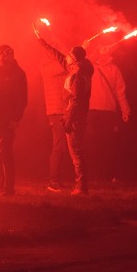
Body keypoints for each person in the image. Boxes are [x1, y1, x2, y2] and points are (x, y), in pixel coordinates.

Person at [37, 37, 94, 195]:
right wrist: (42, 42)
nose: (66, 55)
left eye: (70, 54)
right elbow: (58, 56)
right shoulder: (74, 70)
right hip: (71, 115)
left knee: (76, 153)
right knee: (76, 152)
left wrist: (68, 120)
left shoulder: (78, 75)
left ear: (74, 59)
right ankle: (81, 185)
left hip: (75, 117)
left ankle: (81, 187)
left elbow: (76, 101)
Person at [0, 45, 28, 196]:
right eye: (2, 59)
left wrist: (16, 118)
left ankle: (9, 188)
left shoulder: (18, 74)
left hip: (7, 118)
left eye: (8, 60)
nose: (4, 63)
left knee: (5, 153)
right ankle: (1, 183)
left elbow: (22, 98)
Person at [86, 46, 131, 182]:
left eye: (107, 49)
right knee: (94, 143)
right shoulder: (90, 66)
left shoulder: (114, 69)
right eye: (102, 48)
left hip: (109, 112)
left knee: (109, 144)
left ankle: (107, 174)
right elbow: (80, 64)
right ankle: (95, 174)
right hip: (92, 110)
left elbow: (120, 92)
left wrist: (125, 110)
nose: (105, 51)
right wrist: (95, 52)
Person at [38, 44, 70, 193]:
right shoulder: (47, 66)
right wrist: (84, 47)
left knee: (62, 147)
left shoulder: (55, 64)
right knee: (59, 147)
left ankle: (57, 180)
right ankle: (53, 182)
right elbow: (68, 65)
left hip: (62, 109)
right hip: (56, 111)